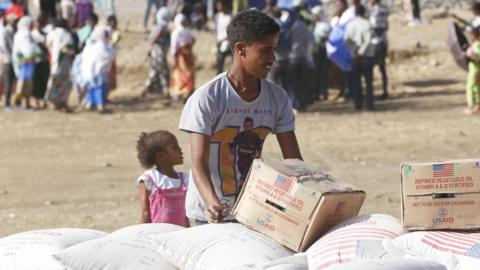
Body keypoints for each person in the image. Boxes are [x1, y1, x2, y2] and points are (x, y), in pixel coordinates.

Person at [178, 10, 303, 225]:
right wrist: (212, 204)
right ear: (240, 49)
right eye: (266, 50)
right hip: (209, 214)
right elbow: (198, 163)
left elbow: (294, 162)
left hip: (250, 209)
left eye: (275, 50)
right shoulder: (208, 97)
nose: (273, 59)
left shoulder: (277, 98)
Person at [136, 130, 190, 227]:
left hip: (180, 235)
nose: (180, 150)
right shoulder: (149, 180)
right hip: (158, 236)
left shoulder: (184, 180)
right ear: (161, 156)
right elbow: (145, 212)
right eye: (175, 148)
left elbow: (186, 215)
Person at [344, 4, 376, 111]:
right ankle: (369, 104)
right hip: (366, 57)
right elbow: (368, 41)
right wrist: (361, 53)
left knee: (356, 83)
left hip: (354, 58)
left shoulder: (350, 25)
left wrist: (354, 53)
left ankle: (358, 105)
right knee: (368, 82)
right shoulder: (367, 24)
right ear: (364, 12)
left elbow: (347, 41)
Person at [81, 26, 117, 113]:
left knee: (92, 89)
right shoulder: (101, 45)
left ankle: (89, 104)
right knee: (100, 89)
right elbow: (108, 56)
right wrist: (114, 46)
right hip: (99, 72)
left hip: (88, 72)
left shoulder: (89, 44)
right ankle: (101, 107)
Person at [45, 18, 76, 112]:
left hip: (54, 61)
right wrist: (73, 53)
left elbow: (48, 44)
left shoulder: (52, 33)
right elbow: (66, 49)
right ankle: (62, 101)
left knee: (53, 81)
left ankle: (51, 101)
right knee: (66, 82)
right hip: (63, 61)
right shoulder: (66, 34)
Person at [12, 16, 41, 110]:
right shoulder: (22, 34)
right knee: (22, 84)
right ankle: (17, 102)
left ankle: (27, 103)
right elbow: (27, 49)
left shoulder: (27, 34)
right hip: (24, 62)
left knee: (28, 84)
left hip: (29, 62)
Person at [143, 7, 171, 101]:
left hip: (157, 52)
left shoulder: (159, 26)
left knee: (155, 72)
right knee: (163, 72)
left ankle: (148, 90)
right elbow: (155, 38)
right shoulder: (162, 26)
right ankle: (165, 91)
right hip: (158, 52)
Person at [229, 117, 264, 188]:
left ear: (252, 126)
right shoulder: (240, 136)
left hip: (252, 163)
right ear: (244, 127)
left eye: (250, 126)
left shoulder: (256, 137)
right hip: (241, 163)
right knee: (242, 180)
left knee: (251, 181)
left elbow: (260, 149)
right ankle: (239, 194)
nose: (248, 128)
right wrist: (231, 154)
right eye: (246, 126)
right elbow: (231, 144)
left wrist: (258, 156)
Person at [170, 14, 195, 102]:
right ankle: (179, 93)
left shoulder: (187, 31)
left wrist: (189, 45)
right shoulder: (176, 33)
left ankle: (188, 92)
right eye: (183, 21)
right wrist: (174, 58)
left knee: (189, 74)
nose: (185, 22)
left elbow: (193, 40)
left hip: (188, 56)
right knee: (180, 75)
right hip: (180, 57)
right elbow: (174, 47)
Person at [369, 0, 389, 100]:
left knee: (376, 67)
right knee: (381, 68)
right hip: (381, 42)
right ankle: (383, 91)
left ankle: (380, 92)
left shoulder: (378, 11)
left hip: (377, 43)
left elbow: (377, 27)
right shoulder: (381, 9)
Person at [311, 5, 331, 101]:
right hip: (315, 52)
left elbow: (326, 37)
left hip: (323, 51)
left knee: (323, 72)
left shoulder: (326, 25)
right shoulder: (314, 25)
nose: (314, 16)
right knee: (316, 73)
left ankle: (324, 92)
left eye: (315, 15)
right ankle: (316, 93)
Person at [0, 14, 19, 111]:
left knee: (13, 82)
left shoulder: (15, 30)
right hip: (8, 59)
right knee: (7, 81)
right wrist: (13, 53)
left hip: (15, 60)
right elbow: (4, 46)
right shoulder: (5, 31)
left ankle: (12, 101)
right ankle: (6, 103)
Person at [31, 15, 50, 110]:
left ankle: (44, 101)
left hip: (45, 61)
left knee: (45, 81)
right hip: (35, 62)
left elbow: (49, 47)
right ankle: (36, 102)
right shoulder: (32, 35)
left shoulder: (46, 34)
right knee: (36, 82)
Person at [465, 26, 480, 114]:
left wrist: (471, 54)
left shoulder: (475, 45)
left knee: (470, 87)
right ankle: (478, 105)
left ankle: (470, 106)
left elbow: (476, 56)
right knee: (478, 87)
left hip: (474, 69)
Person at [214, 0, 232, 74]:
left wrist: (223, 40)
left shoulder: (230, 16)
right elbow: (216, 29)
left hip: (228, 42)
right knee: (219, 63)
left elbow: (231, 31)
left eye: (219, 5)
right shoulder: (217, 16)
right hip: (219, 42)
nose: (218, 7)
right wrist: (216, 39)